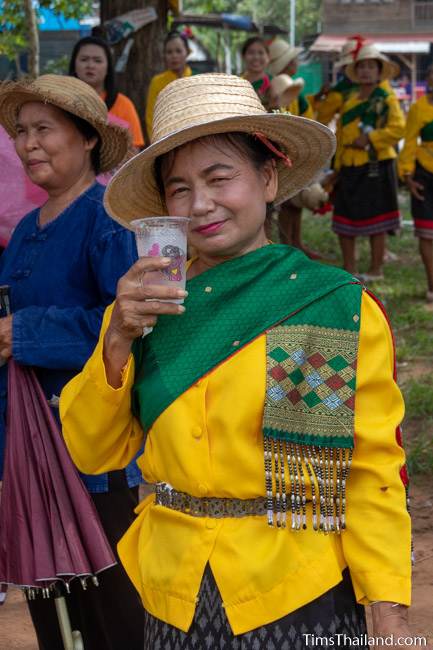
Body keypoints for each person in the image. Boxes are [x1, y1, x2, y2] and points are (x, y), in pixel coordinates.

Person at [60, 73, 411, 649]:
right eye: (179, 189)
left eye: (220, 178)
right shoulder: (144, 305)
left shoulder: (319, 305)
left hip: (296, 586)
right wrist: (118, 339)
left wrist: (390, 613)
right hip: (173, 587)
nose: (201, 204)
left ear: (268, 178)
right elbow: (94, 451)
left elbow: (369, 471)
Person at [0, 74, 144, 650]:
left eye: (43, 130)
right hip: (27, 448)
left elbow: (128, 324)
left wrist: (23, 332)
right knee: (51, 599)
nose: (28, 144)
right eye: (20, 132)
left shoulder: (105, 218)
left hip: (93, 452)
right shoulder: (23, 233)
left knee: (112, 607)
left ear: (86, 138)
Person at [332, 45, 405, 280]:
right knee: (343, 218)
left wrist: (370, 138)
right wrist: (336, 169)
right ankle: (349, 268)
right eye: (361, 66)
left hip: (377, 165)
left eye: (371, 66)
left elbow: (398, 129)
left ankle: (376, 269)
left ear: (379, 71)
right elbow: (342, 137)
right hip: (349, 166)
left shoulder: (387, 99)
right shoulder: (351, 100)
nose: (365, 71)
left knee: (379, 220)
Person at [268, 38, 318, 254]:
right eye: (293, 59)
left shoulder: (293, 86)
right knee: (287, 204)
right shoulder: (280, 85)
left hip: (295, 149)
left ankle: (296, 242)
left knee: (295, 202)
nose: (296, 61)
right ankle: (287, 244)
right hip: (283, 150)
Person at [69, 35, 145, 150]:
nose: (90, 65)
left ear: (108, 68)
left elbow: (134, 153)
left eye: (97, 61)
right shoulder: (60, 102)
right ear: (74, 65)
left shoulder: (123, 104)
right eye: (84, 59)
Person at [399, 63, 433, 302]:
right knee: (427, 235)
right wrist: (408, 176)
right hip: (424, 177)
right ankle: (432, 285)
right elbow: (410, 141)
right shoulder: (419, 108)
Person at [145, 30, 192, 141]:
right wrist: (157, 144)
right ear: (164, 56)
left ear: (187, 52)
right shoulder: (157, 82)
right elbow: (151, 117)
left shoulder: (196, 78)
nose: (174, 56)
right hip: (165, 140)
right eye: (169, 52)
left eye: (178, 51)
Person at [314, 36, 366, 127]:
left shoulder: (380, 87)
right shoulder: (338, 92)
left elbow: (321, 122)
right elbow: (321, 122)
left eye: (369, 66)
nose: (365, 70)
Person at [241, 36, 272, 105]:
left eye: (261, 53)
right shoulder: (236, 84)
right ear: (243, 56)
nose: (256, 57)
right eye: (251, 53)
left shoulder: (274, 83)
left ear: (268, 57)